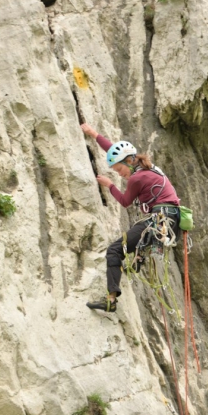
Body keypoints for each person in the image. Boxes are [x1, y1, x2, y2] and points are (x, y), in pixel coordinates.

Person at [81, 123, 181, 312]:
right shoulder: (149, 168)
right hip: (169, 220)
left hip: (159, 219)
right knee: (133, 242)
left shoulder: (136, 179)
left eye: (120, 170)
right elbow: (114, 151)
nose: (120, 174)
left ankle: (111, 300)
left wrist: (109, 185)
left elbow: (126, 201)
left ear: (129, 161)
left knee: (114, 250)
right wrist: (93, 134)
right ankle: (140, 255)